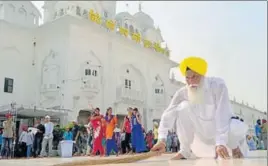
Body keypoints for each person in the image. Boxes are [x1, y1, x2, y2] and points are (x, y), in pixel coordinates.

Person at [151, 56, 248, 160]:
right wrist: (162, 139)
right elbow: (168, 114)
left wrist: (220, 142)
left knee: (234, 126)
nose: (191, 81)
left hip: (226, 136)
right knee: (183, 107)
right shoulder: (182, 93)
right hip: (202, 139)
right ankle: (185, 151)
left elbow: (222, 114)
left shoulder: (217, 85)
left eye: (195, 76)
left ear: (203, 75)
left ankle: (235, 148)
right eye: (187, 78)